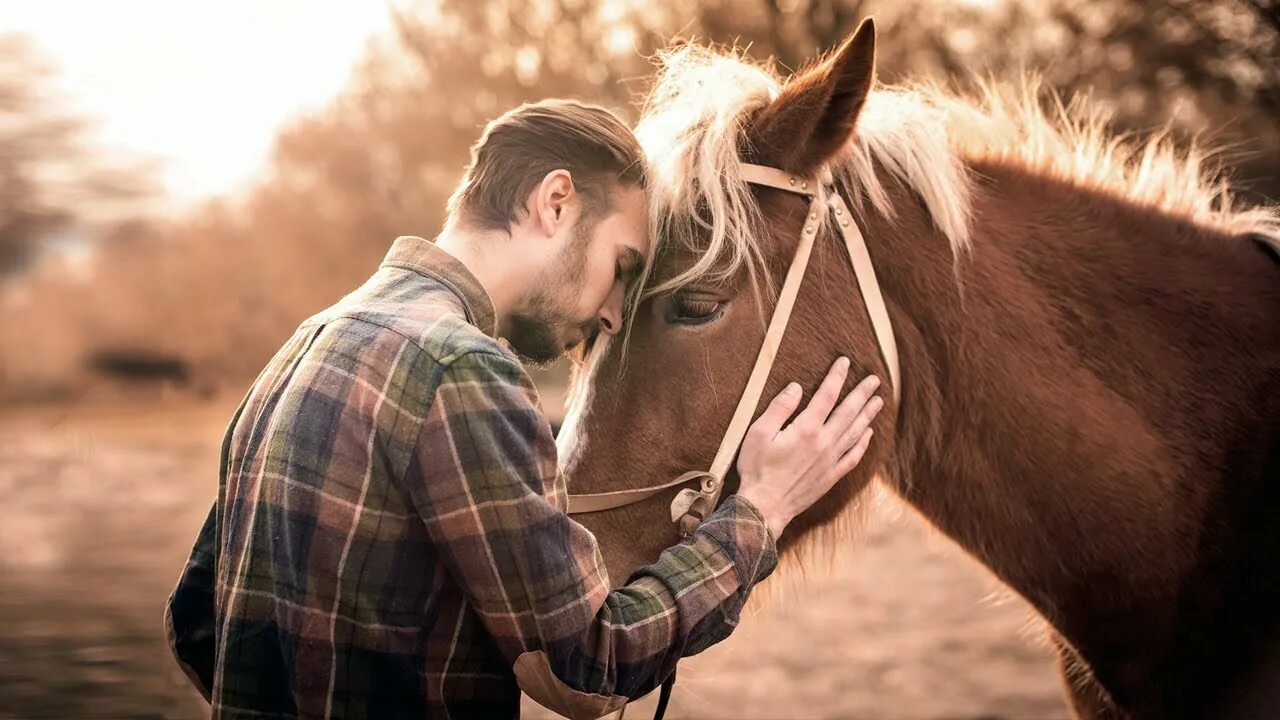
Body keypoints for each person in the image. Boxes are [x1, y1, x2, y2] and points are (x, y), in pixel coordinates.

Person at [164, 99, 885, 719]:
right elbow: (592, 660)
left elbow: (198, 623)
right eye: (623, 266)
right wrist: (759, 510)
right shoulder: (461, 368)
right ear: (555, 202)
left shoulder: (304, 345)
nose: (612, 313)